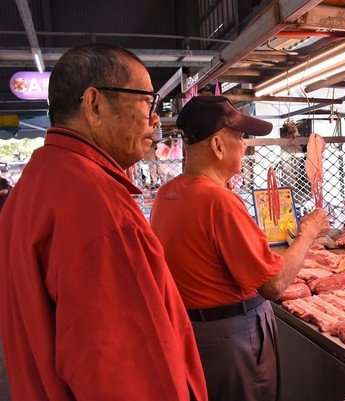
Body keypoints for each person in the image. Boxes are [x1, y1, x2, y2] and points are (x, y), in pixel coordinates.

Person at [0, 43, 208, 401]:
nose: (156, 118)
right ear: (94, 104)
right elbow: (133, 378)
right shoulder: (98, 209)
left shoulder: (34, 184)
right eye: (147, 101)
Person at [150, 96, 330, 401]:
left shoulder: (167, 194)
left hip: (191, 333)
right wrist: (308, 232)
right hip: (231, 338)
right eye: (240, 136)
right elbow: (273, 285)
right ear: (218, 146)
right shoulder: (217, 200)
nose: (245, 145)